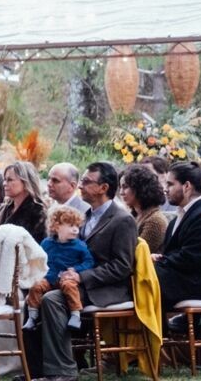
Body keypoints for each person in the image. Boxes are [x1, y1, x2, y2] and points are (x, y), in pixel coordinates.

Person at [27, 161, 137, 381]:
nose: (81, 186)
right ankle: (36, 370)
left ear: (103, 188)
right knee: (32, 296)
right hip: (74, 280)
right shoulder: (85, 215)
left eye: (86, 182)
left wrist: (81, 276)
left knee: (52, 300)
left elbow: (123, 266)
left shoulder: (122, 219)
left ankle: (65, 371)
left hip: (105, 287)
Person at [24, 203, 93, 331]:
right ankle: (32, 317)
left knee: (69, 286)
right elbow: (40, 258)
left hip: (66, 277)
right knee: (36, 286)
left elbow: (89, 262)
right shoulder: (47, 243)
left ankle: (75, 315)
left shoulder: (80, 245)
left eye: (77, 226)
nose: (75, 229)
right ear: (56, 226)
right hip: (50, 278)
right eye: (71, 226)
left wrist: (77, 269)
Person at [158, 162, 201, 309]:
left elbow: (190, 257)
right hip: (180, 278)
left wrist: (159, 261)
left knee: (145, 278)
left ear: (186, 186)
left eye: (170, 184)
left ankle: (152, 331)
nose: (165, 189)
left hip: (195, 284)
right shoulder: (179, 217)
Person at [122, 163, 169, 253]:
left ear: (140, 188)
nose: (121, 192)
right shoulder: (135, 214)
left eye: (125, 187)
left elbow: (136, 255)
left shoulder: (155, 221)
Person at [0, 161, 48, 240]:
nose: (4, 183)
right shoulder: (7, 208)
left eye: (10, 180)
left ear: (25, 182)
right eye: (4, 179)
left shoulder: (38, 212)